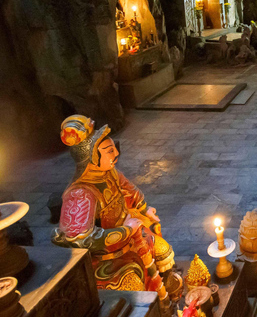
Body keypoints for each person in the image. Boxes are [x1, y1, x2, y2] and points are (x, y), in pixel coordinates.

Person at [52, 115, 174, 305]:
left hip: (132, 239)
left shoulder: (110, 173)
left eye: (114, 148)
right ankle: (144, 315)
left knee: (163, 250)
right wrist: (125, 230)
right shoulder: (80, 194)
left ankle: (165, 294)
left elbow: (131, 191)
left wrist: (144, 210)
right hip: (105, 260)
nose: (115, 154)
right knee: (131, 283)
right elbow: (80, 238)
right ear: (91, 157)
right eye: (109, 151)